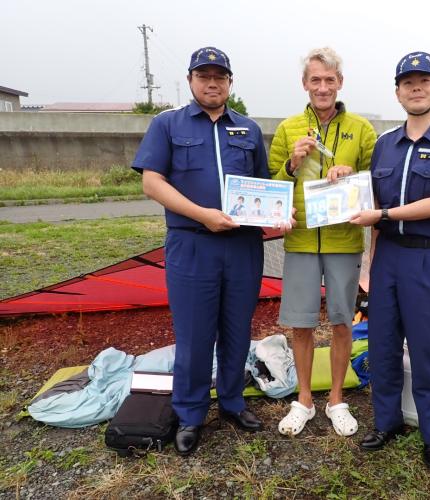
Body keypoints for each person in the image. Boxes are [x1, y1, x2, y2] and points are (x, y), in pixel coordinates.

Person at [132, 46, 286, 456]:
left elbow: (262, 186)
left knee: (237, 330)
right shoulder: (167, 124)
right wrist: (203, 215)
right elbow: (152, 183)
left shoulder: (248, 129)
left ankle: (233, 402)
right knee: (195, 334)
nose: (212, 82)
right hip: (192, 244)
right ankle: (191, 414)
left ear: (230, 82)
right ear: (191, 81)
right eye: (204, 76)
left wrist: (278, 213)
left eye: (220, 76)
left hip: (242, 246)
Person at [349, 51, 430, 468]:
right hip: (387, 260)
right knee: (381, 344)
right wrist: (369, 266)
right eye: (408, 82)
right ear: (398, 91)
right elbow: (368, 204)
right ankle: (385, 422)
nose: (416, 88)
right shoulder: (384, 145)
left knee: (425, 345)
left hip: (428, 259)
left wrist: (382, 215)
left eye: (424, 81)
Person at [269, 47, 377, 437]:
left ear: (340, 83)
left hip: (344, 239)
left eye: (329, 79)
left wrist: (352, 173)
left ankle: (335, 400)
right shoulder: (287, 128)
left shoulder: (362, 129)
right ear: (305, 84)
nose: (322, 87)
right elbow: (273, 188)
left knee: (341, 321)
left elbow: (373, 181)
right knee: (300, 323)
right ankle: (304, 400)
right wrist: (292, 164)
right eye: (315, 79)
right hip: (300, 240)